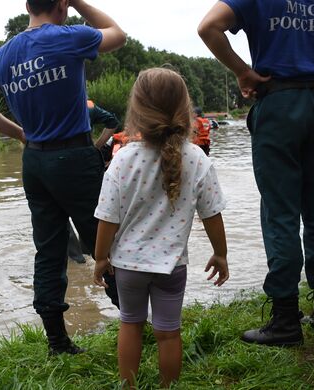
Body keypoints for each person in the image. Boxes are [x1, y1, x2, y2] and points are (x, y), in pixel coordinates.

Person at [0, 0, 126, 355]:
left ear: (26, 5)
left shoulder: (3, 55)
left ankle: (57, 341)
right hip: (75, 158)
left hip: (34, 162)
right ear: (62, 5)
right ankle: (136, 324)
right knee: (107, 244)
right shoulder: (67, 36)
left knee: (49, 252)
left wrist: (20, 133)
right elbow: (118, 34)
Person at [198, 0, 314, 345]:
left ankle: (285, 319)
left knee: (280, 212)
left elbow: (208, 27)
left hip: (279, 105)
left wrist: (242, 71)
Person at [93, 68, 229, 388]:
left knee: (130, 324)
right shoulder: (196, 158)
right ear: (184, 109)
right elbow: (212, 214)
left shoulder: (123, 159)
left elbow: (107, 218)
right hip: (171, 267)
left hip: (127, 266)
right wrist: (220, 254)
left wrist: (100, 258)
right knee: (169, 333)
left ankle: (129, 386)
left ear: (136, 112)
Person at [67, 99, 121, 264]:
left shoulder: (47, 102)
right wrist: (96, 146)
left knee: (59, 210)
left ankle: (76, 259)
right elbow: (113, 122)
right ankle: (92, 251)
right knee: (91, 209)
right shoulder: (88, 105)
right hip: (86, 163)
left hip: (55, 162)